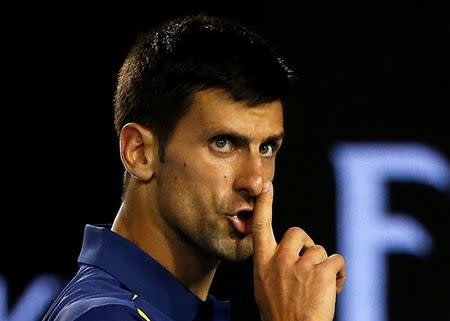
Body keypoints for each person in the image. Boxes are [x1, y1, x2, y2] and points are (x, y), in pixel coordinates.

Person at [43, 14, 346, 321]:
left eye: (266, 148)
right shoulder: (104, 316)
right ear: (139, 152)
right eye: (224, 143)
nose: (256, 181)